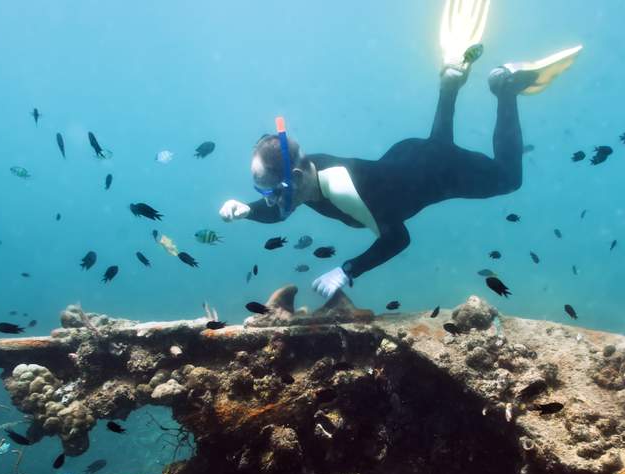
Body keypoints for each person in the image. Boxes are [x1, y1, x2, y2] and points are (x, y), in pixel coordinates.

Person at [217, 0, 580, 298]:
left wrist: (347, 270)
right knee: (437, 145)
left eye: (270, 192)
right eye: (262, 193)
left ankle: (505, 88)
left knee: (508, 179)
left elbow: (398, 239)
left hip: (436, 172)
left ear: (295, 177)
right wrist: (246, 211)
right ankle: (450, 82)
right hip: (407, 160)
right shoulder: (303, 177)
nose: (270, 201)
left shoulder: (340, 190)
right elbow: (277, 211)